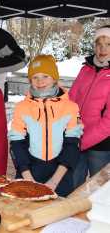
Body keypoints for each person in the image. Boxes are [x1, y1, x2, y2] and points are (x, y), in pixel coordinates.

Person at [10, 55, 83, 197]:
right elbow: (17, 144)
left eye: (45, 76)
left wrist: (54, 182)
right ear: (29, 80)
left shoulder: (71, 108)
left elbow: (72, 146)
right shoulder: (22, 107)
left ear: (55, 78)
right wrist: (29, 179)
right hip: (28, 174)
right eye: (35, 77)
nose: (40, 81)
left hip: (60, 176)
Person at [69, 25, 110, 188]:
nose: (102, 49)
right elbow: (71, 99)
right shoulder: (85, 68)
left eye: (108, 44)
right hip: (76, 137)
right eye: (99, 44)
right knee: (72, 186)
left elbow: (108, 122)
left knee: (98, 189)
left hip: (101, 146)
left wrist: (84, 140)